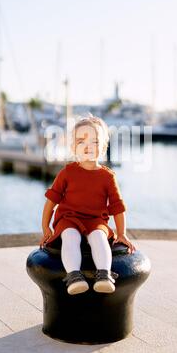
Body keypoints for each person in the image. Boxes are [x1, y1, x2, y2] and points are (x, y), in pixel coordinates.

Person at [39, 113, 136, 295]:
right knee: (70, 236)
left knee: (98, 238)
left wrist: (121, 234)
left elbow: (117, 207)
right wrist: (46, 228)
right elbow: (51, 202)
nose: (88, 146)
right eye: (81, 141)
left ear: (103, 147)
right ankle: (74, 276)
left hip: (96, 220)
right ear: (74, 147)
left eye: (95, 142)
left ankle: (104, 275)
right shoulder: (67, 172)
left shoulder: (108, 177)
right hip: (69, 218)